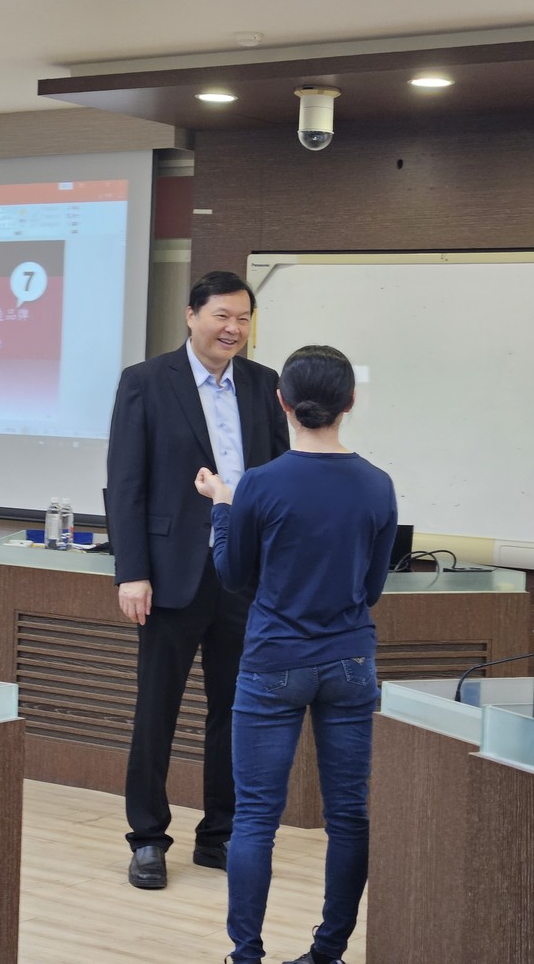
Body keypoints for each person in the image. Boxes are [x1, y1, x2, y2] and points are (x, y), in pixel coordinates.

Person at [194, 344, 398, 964]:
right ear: (350, 403)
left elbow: (233, 576)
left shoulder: (260, 483)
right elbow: (372, 589)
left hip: (273, 661)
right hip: (350, 662)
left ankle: (246, 955)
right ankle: (328, 952)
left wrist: (223, 506)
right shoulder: (377, 484)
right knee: (349, 815)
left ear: (282, 402)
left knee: (256, 816)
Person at [106, 270, 290, 890]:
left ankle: (220, 835)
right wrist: (132, 571)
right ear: (191, 316)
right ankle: (148, 838)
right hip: (171, 574)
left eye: (243, 318)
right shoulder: (146, 381)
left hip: (244, 574)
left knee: (233, 711)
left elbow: (280, 479)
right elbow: (126, 483)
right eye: (221, 316)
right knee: (156, 709)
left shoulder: (263, 385)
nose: (233, 329)